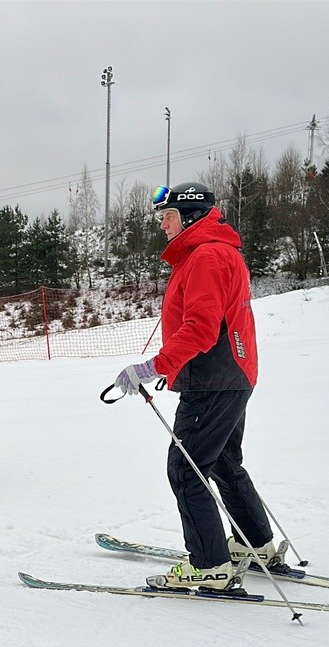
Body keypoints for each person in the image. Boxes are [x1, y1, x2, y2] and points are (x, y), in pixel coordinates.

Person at [113, 182, 284, 592]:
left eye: (167, 217)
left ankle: (210, 565)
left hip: (211, 378)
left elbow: (202, 329)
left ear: (190, 217)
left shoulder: (206, 256)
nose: (162, 225)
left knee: (186, 470)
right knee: (223, 463)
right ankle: (253, 544)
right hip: (230, 375)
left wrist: (153, 366)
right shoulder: (212, 253)